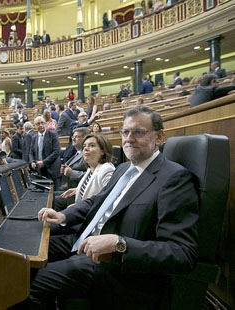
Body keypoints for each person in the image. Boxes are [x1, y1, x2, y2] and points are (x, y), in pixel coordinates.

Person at [29, 105, 199, 309]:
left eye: (138, 132)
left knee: (32, 284)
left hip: (115, 266)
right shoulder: (123, 168)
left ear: (159, 136)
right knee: (26, 255)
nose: (128, 139)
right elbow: (96, 201)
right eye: (125, 132)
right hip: (82, 240)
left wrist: (120, 243)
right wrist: (63, 216)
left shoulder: (174, 178)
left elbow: (181, 253)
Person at [56, 133, 115, 211]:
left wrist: (78, 206)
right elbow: (96, 188)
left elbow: (108, 200)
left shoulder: (107, 169)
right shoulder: (91, 168)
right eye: (84, 146)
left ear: (103, 151)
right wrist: (78, 189)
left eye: (92, 145)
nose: (86, 148)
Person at [29, 116, 62, 189]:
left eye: (42, 123)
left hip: (52, 169)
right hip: (41, 171)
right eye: (38, 124)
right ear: (34, 126)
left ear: (45, 124)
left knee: (56, 194)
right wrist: (32, 162)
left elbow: (56, 152)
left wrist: (44, 162)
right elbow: (31, 153)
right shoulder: (34, 138)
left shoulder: (53, 135)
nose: (40, 125)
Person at [57, 127, 90, 192]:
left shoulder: (87, 155)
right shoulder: (77, 153)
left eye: (77, 137)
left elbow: (91, 176)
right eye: (73, 136)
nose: (73, 139)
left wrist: (72, 173)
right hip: (67, 187)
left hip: (78, 191)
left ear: (85, 139)